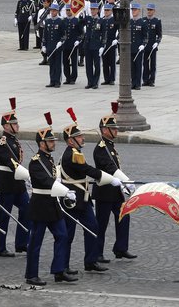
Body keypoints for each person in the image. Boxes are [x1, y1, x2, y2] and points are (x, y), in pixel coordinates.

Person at [59, 113, 120, 273]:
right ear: (70, 140)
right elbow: (88, 170)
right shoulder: (72, 154)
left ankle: (91, 261)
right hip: (72, 200)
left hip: (83, 198)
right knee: (69, 234)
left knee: (93, 227)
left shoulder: (75, 152)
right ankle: (63, 266)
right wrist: (109, 178)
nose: (82, 139)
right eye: (79, 137)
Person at [25, 113, 77, 286]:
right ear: (42, 144)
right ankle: (31, 275)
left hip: (52, 204)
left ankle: (59, 270)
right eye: (51, 141)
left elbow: (53, 178)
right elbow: (46, 181)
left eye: (54, 140)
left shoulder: (48, 159)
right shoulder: (35, 162)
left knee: (62, 235)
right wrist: (64, 190)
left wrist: (60, 183)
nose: (54, 143)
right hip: (40, 206)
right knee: (35, 242)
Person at [93, 102, 136, 263]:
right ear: (105, 130)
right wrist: (126, 180)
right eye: (114, 128)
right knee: (101, 225)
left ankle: (120, 248)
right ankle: (97, 253)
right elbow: (110, 167)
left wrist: (124, 183)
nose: (116, 130)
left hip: (115, 192)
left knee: (124, 217)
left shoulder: (109, 146)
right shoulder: (101, 148)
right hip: (104, 192)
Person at [0, 103, 31, 258]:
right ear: (6, 126)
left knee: (27, 210)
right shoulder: (2, 142)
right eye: (14, 124)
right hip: (6, 182)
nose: (17, 126)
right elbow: (11, 163)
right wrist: (27, 175)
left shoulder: (14, 140)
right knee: (4, 215)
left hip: (18, 182)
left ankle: (21, 243)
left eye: (17, 123)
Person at [42, 2, 65, 88]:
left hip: (57, 47)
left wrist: (61, 41)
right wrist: (44, 45)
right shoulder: (48, 21)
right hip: (50, 46)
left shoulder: (60, 21)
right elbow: (45, 35)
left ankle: (57, 81)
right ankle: (52, 80)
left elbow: (64, 34)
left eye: (54, 11)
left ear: (57, 11)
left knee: (58, 64)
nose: (52, 12)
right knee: (51, 64)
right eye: (51, 10)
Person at [62, 4, 84, 85]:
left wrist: (78, 40)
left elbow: (82, 33)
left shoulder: (77, 21)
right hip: (65, 45)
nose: (68, 12)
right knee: (65, 62)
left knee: (74, 63)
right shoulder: (63, 21)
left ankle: (73, 78)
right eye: (67, 10)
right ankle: (67, 77)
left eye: (70, 10)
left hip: (74, 45)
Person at [142, 3, 162, 87]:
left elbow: (159, 34)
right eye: (148, 10)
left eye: (150, 10)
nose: (149, 11)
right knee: (145, 63)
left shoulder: (157, 21)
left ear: (154, 11)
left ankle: (152, 80)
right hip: (145, 46)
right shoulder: (143, 20)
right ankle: (145, 80)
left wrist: (157, 42)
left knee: (152, 64)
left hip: (152, 46)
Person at [130, 2, 148, 90]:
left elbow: (146, 36)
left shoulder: (143, 22)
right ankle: (133, 82)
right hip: (131, 47)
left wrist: (143, 45)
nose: (133, 11)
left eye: (135, 10)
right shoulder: (129, 22)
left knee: (138, 66)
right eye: (132, 10)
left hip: (138, 48)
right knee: (131, 67)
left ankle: (137, 83)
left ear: (139, 11)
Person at [101, 3, 118, 85]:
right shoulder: (102, 20)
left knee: (112, 62)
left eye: (108, 10)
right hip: (104, 44)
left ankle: (112, 79)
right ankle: (106, 78)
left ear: (111, 11)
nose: (106, 12)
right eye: (105, 10)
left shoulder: (114, 20)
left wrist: (117, 39)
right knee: (105, 63)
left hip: (112, 43)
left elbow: (120, 31)